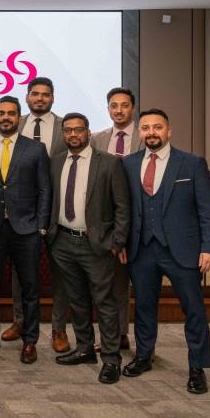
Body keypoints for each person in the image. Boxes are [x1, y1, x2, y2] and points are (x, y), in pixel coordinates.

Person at [122, 109, 210, 394]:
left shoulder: (191, 164)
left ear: (169, 130)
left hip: (183, 250)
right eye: (145, 128)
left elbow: (209, 211)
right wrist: (121, 244)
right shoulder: (128, 164)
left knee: (193, 309)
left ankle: (197, 366)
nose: (151, 132)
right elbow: (125, 209)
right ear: (139, 132)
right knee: (143, 307)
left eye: (157, 127)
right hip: (141, 249)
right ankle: (143, 356)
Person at [47, 113, 130, 384]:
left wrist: (116, 242)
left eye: (78, 130)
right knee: (77, 300)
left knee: (104, 302)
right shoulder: (56, 161)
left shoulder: (109, 163)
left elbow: (122, 207)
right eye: (68, 130)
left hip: (96, 244)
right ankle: (84, 348)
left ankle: (110, 358)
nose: (73, 135)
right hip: (62, 241)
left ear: (88, 132)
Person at [0, 96, 50, 365]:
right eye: (1, 113)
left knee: (30, 288)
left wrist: (41, 226)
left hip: (26, 229)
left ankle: (30, 341)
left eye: (11, 113)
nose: (6, 117)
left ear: (19, 117)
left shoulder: (36, 149)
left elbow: (44, 189)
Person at [8, 76, 70, 351]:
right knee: (20, 273)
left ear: (53, 98)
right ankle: (20, 321)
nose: (40, 99)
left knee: (60, 271)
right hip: (22, 213)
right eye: (35, 94)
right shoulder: (14, 124)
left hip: (57, 209)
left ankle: (59, 329)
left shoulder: (64, 127)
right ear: (27, 97)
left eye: (46, 94)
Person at [91, 86, 141, 349]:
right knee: (109, 282)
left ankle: (141, 340)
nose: (119, 110)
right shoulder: (97, 139)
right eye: (114, 105)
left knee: (136, 284)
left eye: (124, 105)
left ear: (133, 108)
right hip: (107, 220)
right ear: (108, 108)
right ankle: (116, 335)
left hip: (139, 218)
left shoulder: (144, 138)